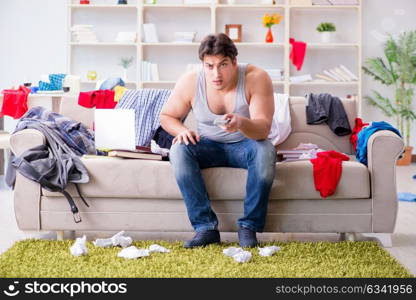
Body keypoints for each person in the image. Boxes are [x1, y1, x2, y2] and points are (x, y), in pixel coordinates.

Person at [160, 33, 276, 248]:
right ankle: (205, 228)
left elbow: (263, 129)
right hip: (208, 145)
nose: (216, 74)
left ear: (234, 62)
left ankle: (249, 227)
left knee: (266, 150)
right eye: (209, 66)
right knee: (178, 149)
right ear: (203, 65)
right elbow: (167, 116)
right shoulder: (191, 81)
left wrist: (241, 122)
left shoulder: (256, 77)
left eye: (222, 65)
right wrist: (182, 130)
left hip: (246, 144)